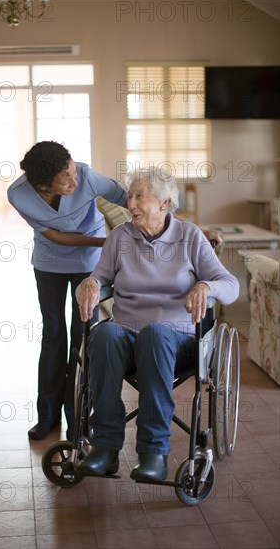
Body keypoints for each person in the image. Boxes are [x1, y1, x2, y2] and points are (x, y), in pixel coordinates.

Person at [76, 166, 239, 482]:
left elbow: (229, 284)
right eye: (130, 196)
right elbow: (101, 277)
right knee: (103, 334)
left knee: (155, 335)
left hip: (176, 340)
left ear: (165, 203)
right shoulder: (120, 237)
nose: (131, 204)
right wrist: (92, 283)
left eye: (140, 197)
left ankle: (153, 452)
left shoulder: (190, 237)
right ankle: (105, 447)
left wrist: (207, 287)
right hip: (127, 335)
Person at [7, 141, 126, 440]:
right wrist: (105, 243)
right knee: (53, 334)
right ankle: (46, 415)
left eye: (73, 172)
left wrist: (166, 224)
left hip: (88, 264)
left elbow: (127, 198)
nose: (76, 181)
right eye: (66, 179)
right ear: (42, 184)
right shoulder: (19, 194)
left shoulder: (86, 175)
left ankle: (78, 417)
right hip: (49, 262)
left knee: (84, 334)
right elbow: (57, 236)